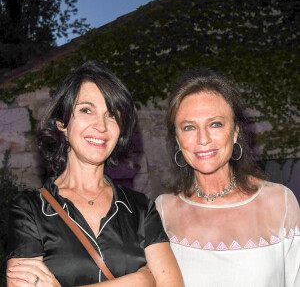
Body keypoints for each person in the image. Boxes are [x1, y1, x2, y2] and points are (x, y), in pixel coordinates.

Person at [6, 60, 183, 287]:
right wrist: (139, 280)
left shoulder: (140, 208)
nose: (101, 125)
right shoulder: (29, 209)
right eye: (86, 110)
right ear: (62, 122)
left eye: (112, 114)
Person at [155, 68, 300, 287]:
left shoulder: (281, 202)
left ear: (235, 133)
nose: (203, 139)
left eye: (215, 124)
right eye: (189, 127)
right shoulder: (162, 211)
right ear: (177, 138)